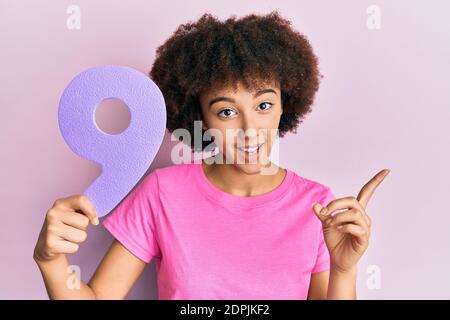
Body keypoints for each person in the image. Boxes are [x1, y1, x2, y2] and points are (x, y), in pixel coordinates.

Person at [33, 11, 389, 300]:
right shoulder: (162, 193)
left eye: (263, 105)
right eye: (226, 112)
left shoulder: (317, 206)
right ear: (200, 116)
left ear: (285, 105)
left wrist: (344, 270)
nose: (250, 129)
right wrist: (50, 261)